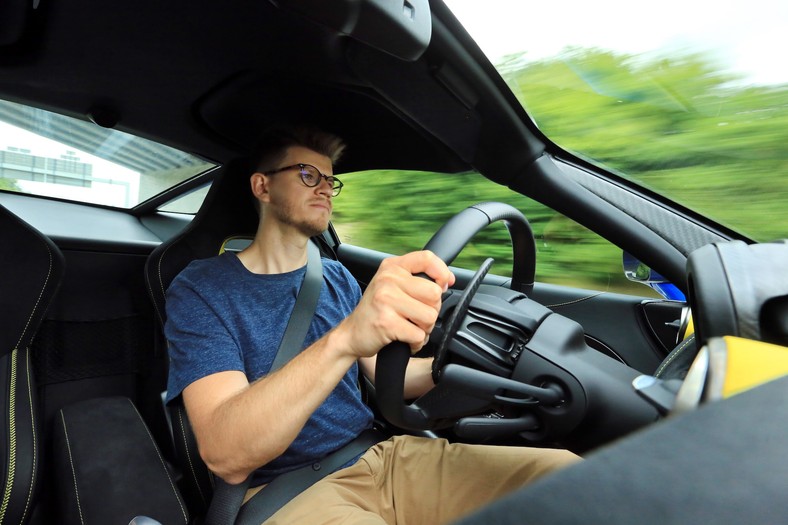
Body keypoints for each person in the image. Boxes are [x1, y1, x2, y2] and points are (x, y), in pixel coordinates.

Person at [164, 126, 579, 524]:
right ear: (263, 186)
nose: (326, 187)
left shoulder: (336, 276)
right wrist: (344, 339)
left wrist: (466, 365)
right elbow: (226, 454)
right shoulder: (203, 288)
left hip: (384, 457)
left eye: (330, 179)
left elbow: (383, 374)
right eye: (308, 174)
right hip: (286, 491)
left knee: (570, 478)